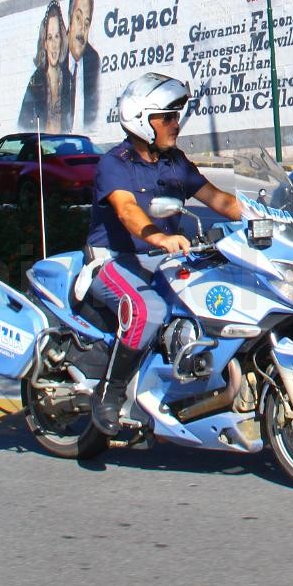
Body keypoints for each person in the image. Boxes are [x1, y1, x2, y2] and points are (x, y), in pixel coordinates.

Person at [85, 71, 244, 434]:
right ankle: (109, 394)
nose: (176, 124)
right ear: (143, 120)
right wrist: (159, 237)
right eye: (168, 117)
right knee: (149, 310)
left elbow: (219, 200)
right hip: (112, 259)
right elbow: (127, 210)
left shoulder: (174, 162)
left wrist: (270, 216)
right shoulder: (115, 164)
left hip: (163, 261)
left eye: (177, 116)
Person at [17, 1, 67, 132]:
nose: (54, 44)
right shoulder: (36, 80)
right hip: (42, 143)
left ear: (62, 39)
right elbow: (23, 124)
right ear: (44, 43)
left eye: (57, 36)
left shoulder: (68, 79)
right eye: (50, 38)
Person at [61, 0, 100, 134]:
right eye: (78, 18)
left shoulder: (93, 61)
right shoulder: (56, 60)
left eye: (87, 23)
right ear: (69, 17)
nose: (82, 30)